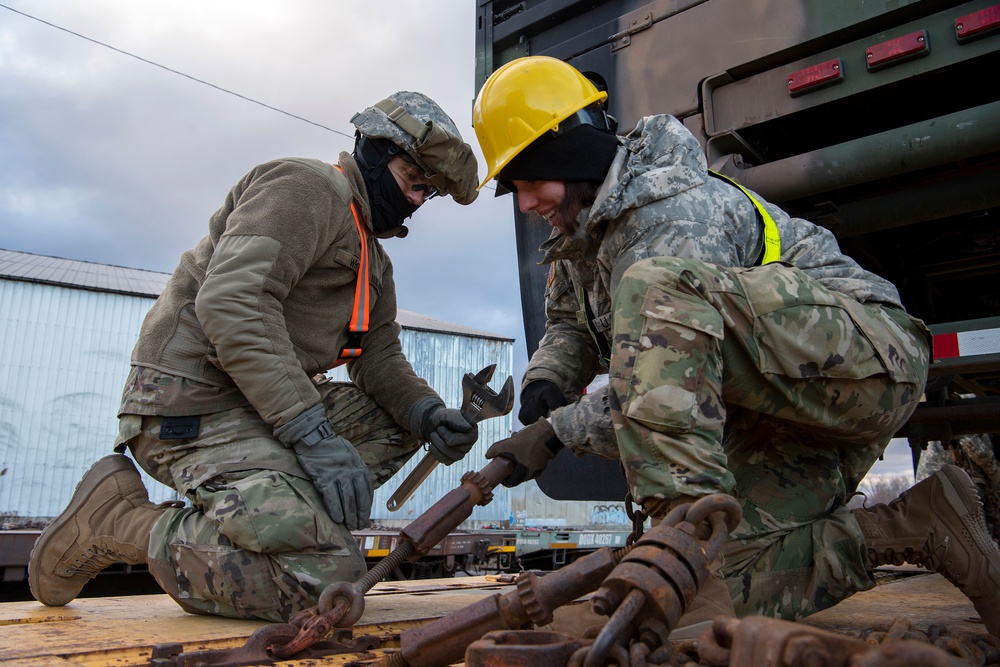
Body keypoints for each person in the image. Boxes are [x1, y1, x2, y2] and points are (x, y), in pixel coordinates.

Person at [472, 56, 1000, 636]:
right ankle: (923, 522)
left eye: (527, 181)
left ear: (567, 157)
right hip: (785, 407)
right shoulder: (582, 232)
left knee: (659, 292)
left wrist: (559, 431)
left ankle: (682, 534)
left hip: (868, 362)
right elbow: (571, 324)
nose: (524, 204)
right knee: (708, 594)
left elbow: (665, 369)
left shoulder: (671, 219)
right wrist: (546, 384)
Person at [29, 91, 482, 622]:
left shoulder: (373, 262)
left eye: (428, 192)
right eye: (413, 179)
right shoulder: (306, 188)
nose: (416, 200)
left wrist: (428, 413)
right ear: (375, 150)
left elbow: (377, 355)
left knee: (398, 420)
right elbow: (231, 301)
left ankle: (280, 512)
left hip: (257, 410)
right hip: (190, 404)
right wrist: (310, 433)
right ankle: (120, 520)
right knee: (327, 582)